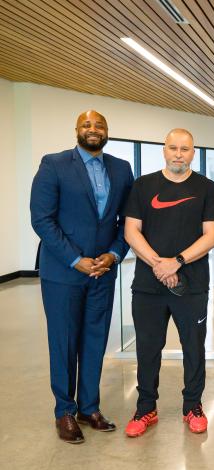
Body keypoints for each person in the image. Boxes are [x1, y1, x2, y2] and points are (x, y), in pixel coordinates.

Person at [30, 110, 133, 443]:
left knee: (94, 341)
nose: (93, 129)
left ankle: (89, 407)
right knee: (63, 343)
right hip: (63, 273)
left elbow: (126, 222)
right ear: (77, 130)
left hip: (103, 273)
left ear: (107, 131)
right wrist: (75, 260)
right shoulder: (54, 164)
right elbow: (42, 220)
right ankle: (65, 411)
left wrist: (114, 254)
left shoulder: (121, 168)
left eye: (99, 125)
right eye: (87, 125)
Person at [123, 128, 214, 437]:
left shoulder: (206, 188)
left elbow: (211, 235)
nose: (179, 153)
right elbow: (131, 231)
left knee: (194, 347)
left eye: (185, 148)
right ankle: (145, 408)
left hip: (191, 285)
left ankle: (192, 406)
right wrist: (159, 264)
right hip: (148, 286)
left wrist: (176, 262)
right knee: (148, 348)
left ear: (193, 152)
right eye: (173, 147)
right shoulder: (143, 186)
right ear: (163, 150)